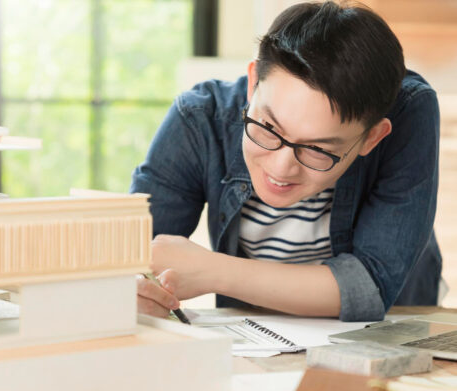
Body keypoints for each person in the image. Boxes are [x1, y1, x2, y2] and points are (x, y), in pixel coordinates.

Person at [130, 1, 441, 322]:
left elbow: (371, 286)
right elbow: (131, 262)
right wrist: (134, 291)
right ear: (253, 84)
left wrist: (212, 271)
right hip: (258, 336)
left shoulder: (407, 112)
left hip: (385, 332)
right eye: (268, 128)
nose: (281, 169)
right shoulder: (200, 118)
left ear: (372, 138)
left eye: (318, 150)